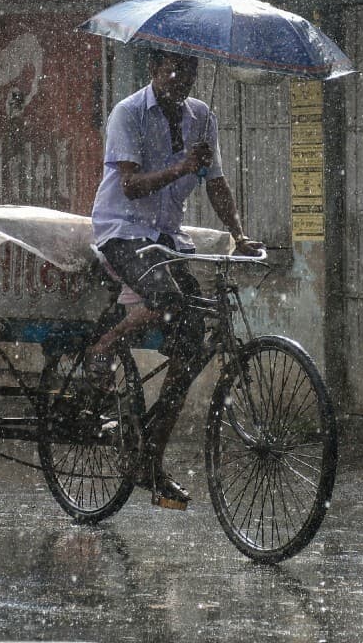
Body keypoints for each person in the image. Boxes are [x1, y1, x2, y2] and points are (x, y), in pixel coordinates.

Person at [87, 49, 264, 509]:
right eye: (167, 68)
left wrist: (239, 235)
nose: (175, 76)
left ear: (195, 74)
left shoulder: (202, 117)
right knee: (167, 300)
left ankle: (148, 454)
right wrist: (182, 166)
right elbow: (129, 185)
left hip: (166, 238)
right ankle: (105, 344)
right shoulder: (127, 113)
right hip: (121, 231)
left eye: (185, 70)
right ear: (152, 71)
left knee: (189, 341)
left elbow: (216, 182)